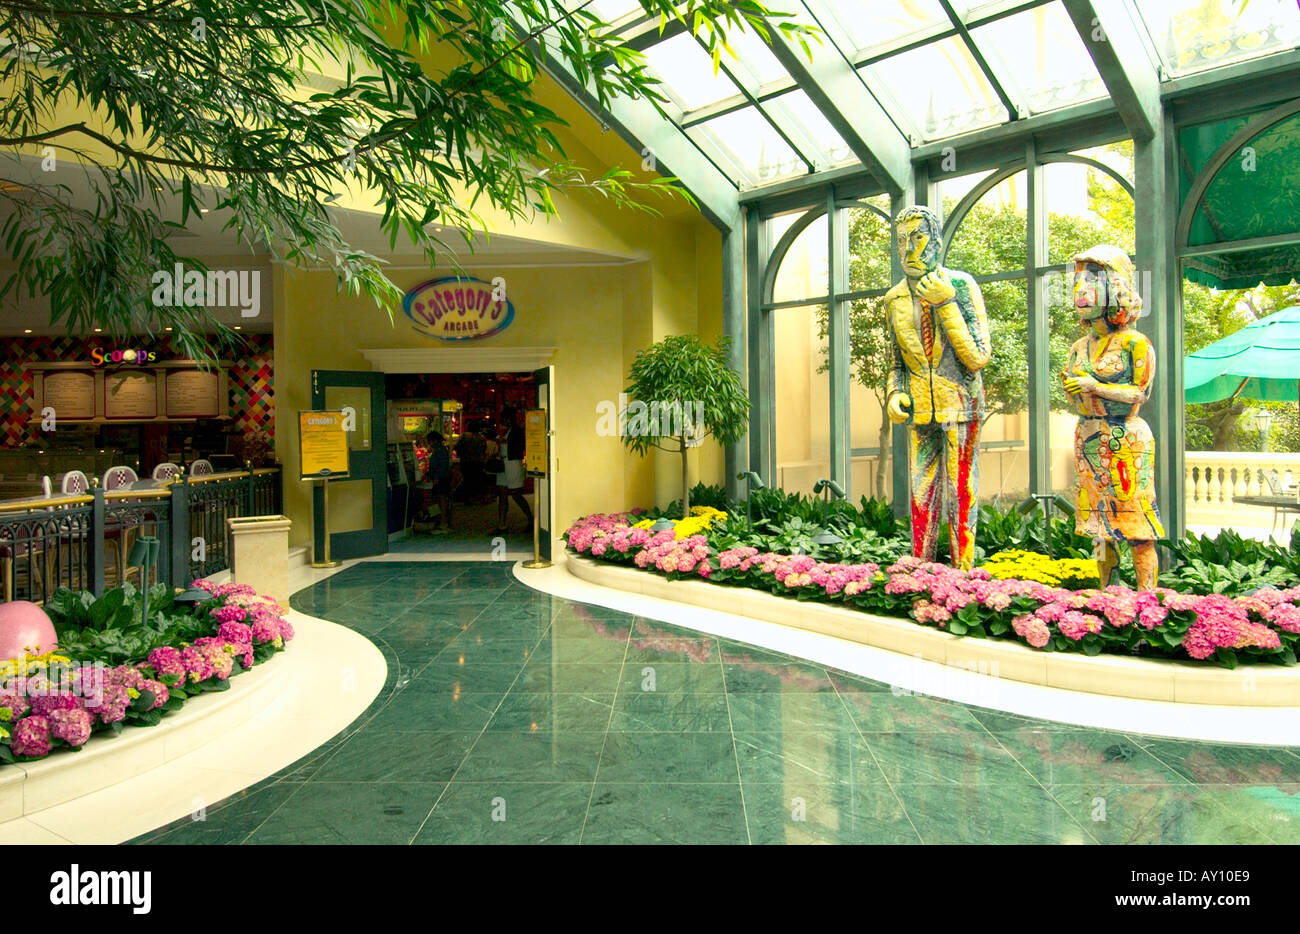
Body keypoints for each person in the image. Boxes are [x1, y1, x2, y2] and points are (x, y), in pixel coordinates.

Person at [884, 204, 991, 570]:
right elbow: (896, 361)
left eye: (918, 237)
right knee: (921, 492)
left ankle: (963, 574)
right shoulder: (895, 297)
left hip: (960, 406)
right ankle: (923, 570)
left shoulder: (961, 285)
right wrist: (895, 393)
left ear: (937, 241)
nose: (909, 249)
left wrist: (946, 303)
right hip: (920, 410)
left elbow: (977, 356)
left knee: (961, 491)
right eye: (901, 240)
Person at [1061, 244, 1163, 590]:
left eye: (1091, 281)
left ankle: (1146, 596)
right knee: (1099, 528)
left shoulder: (1136, 343)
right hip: (1088, 436)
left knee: (1135, 524)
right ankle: (1108, 593)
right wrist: (1077, 389)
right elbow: (1076, 387)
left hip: (1126, 440)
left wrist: (1094, 387)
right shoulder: (1079, 346)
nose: (1081, 290)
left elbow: (1140, 393)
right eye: (1079, 282)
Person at [493, 406, 532, 534]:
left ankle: (531, 519)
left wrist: (505, 442)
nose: (504, 420)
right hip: (504, 462)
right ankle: (501, 524)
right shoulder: (507, 430)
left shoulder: (516, 431)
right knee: (502, 494)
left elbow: (521, 446)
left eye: (505, 418)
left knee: (516, 494)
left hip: (513, 463)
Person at [422, 430, 453, 534]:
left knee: (441, 500)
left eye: (429, 441)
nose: (429, 444)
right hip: (442, 478)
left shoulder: (439, 450)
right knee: (442, 500)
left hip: (440, 479)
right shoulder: (442, 449)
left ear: (434, 440)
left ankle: (443, 524)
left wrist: (436, 477)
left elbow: (442, 466)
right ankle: (443, 523)